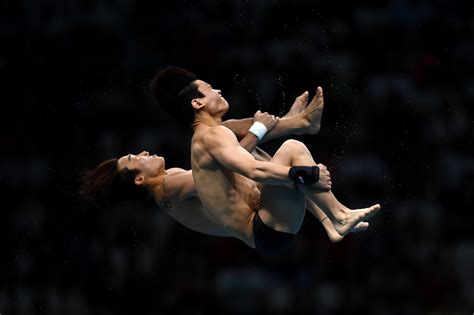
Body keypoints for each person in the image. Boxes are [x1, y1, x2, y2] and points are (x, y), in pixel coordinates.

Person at [148, 66, 380, 255]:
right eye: (209, 89)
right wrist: (307, 174)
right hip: (263, 228)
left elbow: (253, 163)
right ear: (197, 103)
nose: (217, 90)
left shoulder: (211, 135)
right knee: (291, 148)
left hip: (265, 231)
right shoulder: (206, 140)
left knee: (261, 151)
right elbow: (255, 171)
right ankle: (337, 215)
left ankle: (331, 219)